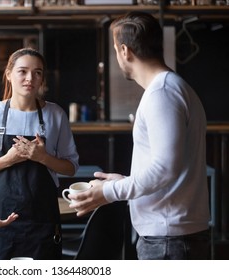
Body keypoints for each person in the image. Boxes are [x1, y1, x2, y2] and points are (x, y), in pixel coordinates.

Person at [69, 11, 211, 260]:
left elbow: (165, 169)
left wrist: (108, 192)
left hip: (169, 240)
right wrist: (123, 180)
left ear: (125, 51)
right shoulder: (172, 87)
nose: (117, 56)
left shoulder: (162, 93)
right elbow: (169, 167)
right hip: (173, 236)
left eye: (115, 49)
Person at [0, 47, 79, 260]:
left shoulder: (55, 115)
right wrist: (7, 160)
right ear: (9, 74)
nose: (30, 78)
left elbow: (71, 167)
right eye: (22, 71)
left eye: (37, 72)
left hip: (42, 221)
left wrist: (42, 157)